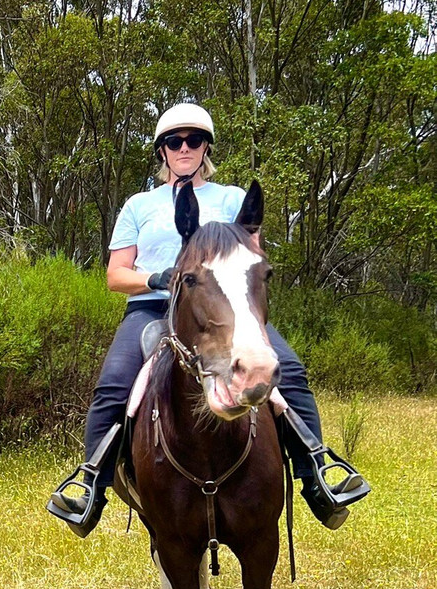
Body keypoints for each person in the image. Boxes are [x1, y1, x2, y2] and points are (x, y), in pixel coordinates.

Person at [48, 102, 369, 536]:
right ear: (162, 151)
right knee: (114, 384)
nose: (184, 148)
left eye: (193, 140)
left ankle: (317, 474)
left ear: (205, 148)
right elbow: (115, 275)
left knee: (288, 370)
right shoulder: (139, 205)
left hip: (229, 310)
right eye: (174, 141)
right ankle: (91, 487)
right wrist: (156, 277)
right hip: (153, 308)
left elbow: (251, 258)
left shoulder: (233, 198)